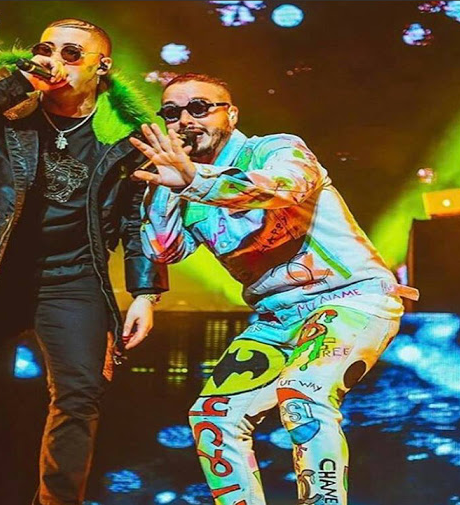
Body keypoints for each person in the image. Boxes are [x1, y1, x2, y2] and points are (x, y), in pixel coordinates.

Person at [0, 18, 167, 505]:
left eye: (72, 53)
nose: (54, 60)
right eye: (46, 49)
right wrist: (12, 81)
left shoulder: (125, 136)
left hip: (73, 277)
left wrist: (146, 292)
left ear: (101, 67)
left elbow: (138, 218)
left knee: (79, 397)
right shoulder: (5, 111)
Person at [130, 73, 418, 505]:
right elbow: (163, 249)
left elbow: (287, 187)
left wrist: (197, 180)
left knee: (303, 394)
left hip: (352, 298)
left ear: (231, 115)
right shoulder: (181, 183)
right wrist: (165, 188)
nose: (185, 120)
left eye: (199, 108)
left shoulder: (275, 148)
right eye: (172, 113)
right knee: (214, 418)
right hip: (276, 320)